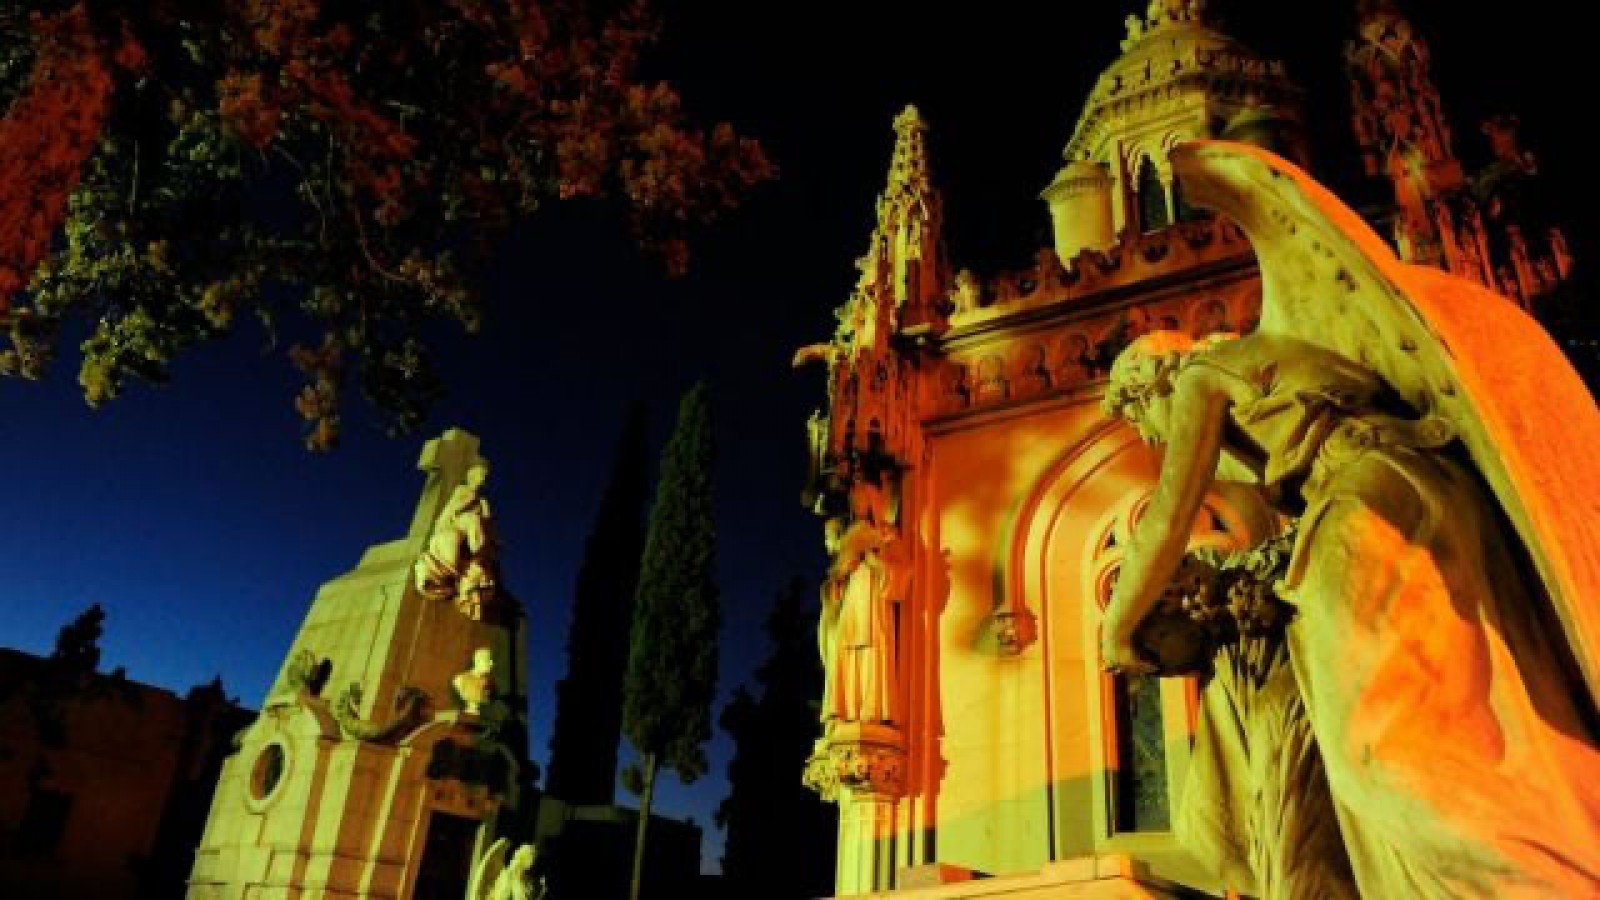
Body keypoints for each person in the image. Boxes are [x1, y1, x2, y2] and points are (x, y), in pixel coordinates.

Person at [1101, 329, 1600, 898]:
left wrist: (1118, 632)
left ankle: (1542, 879)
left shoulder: (1201, 377)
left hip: (1370, 508)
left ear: (1153, 388)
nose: (1155, 439)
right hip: (1409, 491)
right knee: (1471, 725)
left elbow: (1166, 519)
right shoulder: (1269, 364)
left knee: (1384, 755)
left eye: (1148, 426)